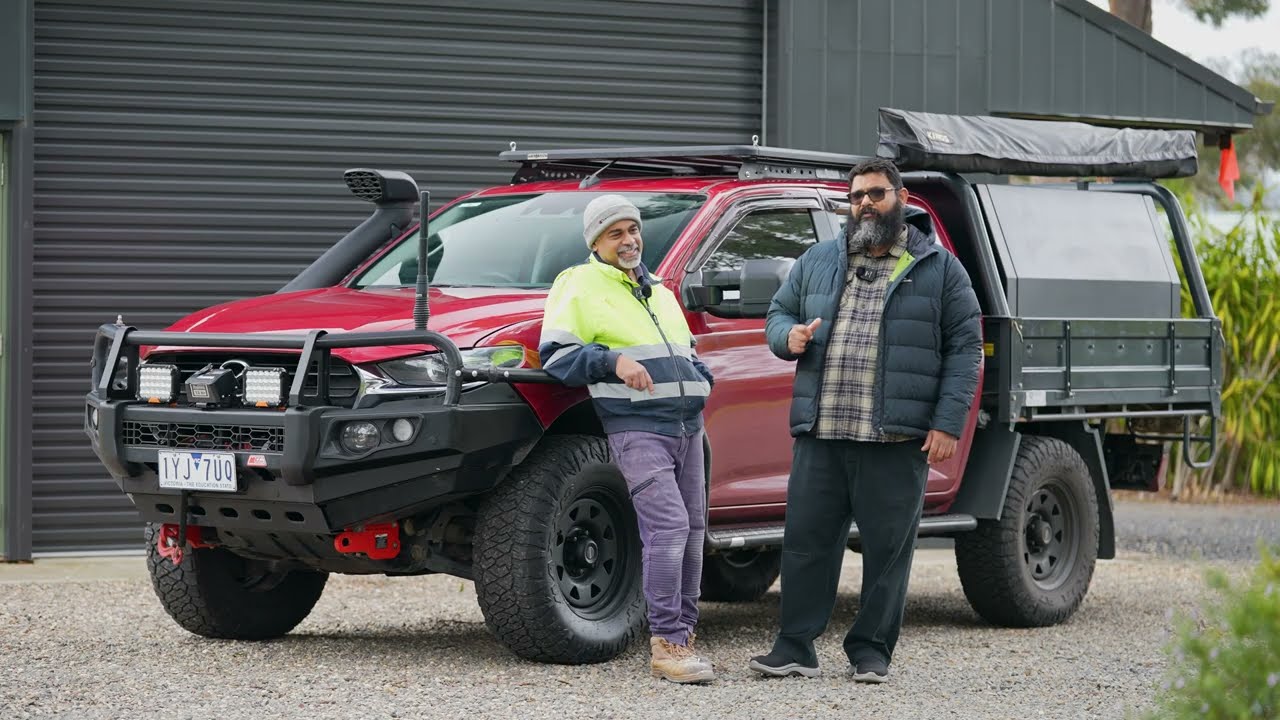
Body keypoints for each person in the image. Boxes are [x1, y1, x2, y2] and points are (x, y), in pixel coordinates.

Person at [748, 158, 982, 683]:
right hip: (822, 431)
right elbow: (777, 314)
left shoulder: (938, 267)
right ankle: (794, 646)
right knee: (806, 543)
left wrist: (947, 424)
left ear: (900, 198)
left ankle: (871, 650)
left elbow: (967, 348)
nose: (865, 204)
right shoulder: (818, 260)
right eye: (856, 197)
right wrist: (786, 337)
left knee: (887, 552)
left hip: (894, 436)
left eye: (876, 194)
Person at [539, 194, 717, 684]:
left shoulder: (659, 288)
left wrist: (701, 377)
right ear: (595, 240)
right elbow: (555, 356)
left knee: (694, 533)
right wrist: (612, 361)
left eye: (632, 230)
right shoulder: (579, 284)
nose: (629, 240)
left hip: (688, 426)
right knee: (669, 529)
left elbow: (687, 349)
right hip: (638, 428)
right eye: (615, 232)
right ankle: (666, 645)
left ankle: (683, 636)